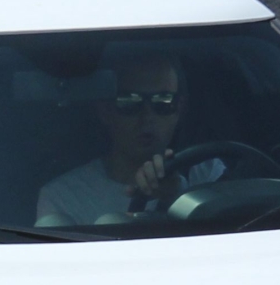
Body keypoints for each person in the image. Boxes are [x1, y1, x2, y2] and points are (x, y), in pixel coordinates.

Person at [36, 54, 223, 226]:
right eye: (129, 103)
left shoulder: (209, 176)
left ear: (179, 110)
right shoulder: (64, 197)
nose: (147, 117)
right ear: (105, 111)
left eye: (163, 101)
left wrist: (178, 196)